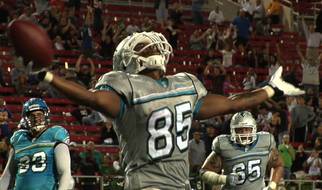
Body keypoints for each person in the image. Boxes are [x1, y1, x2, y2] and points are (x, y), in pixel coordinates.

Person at [34, 31, 303, 189]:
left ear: (132, 62)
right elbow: (234, 102)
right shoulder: (185, 86)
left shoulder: (125, 85)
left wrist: (49, 77)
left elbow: (91, 99)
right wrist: (271, 89)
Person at [0, 98, 74, 190]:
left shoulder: (55, 135)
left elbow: (65, 172)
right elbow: (7, 175)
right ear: (26, 118)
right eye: (32, 115)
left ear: (46, 115)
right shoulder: (19, 139)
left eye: (39, 114)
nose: (36, 118)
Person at [200, 111, 283, 190]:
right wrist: (224, 179)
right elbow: (204, 172)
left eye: (247, 129)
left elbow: (278, 165)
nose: (244, 133)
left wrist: (272, 186)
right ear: (233, 131)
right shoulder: (224, 145)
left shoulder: (265, 141)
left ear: (253, 129)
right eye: (240, 130)